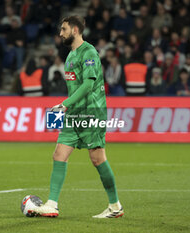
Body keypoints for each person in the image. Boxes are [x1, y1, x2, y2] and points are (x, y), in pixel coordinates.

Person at [30, 15, 123, 218]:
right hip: (74, 114)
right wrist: (69, 107)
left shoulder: (88, 52)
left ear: (75, 30)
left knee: (98, 159)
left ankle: (115, 206)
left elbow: (89, 85)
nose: (60, 33)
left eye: (63, 29)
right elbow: (75, 88)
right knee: (59, 154)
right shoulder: (70, 56)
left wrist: (65, 104)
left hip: (92, 113)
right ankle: (52, 204)